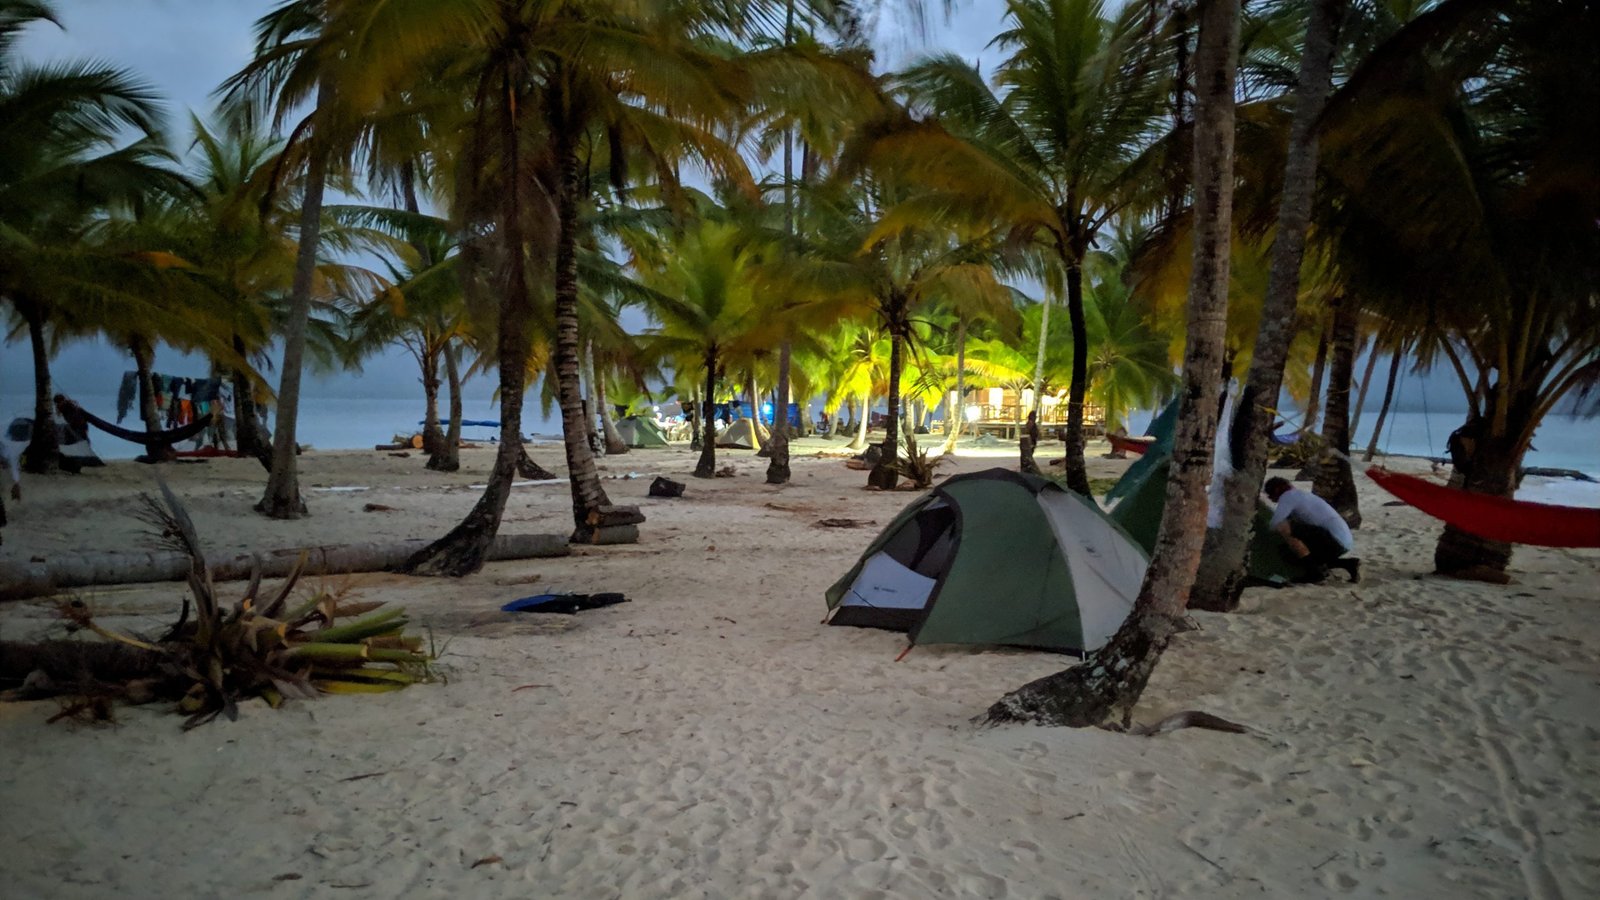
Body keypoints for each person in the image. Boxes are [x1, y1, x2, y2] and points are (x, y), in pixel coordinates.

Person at [1264, 476, 1360, 583]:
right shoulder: (1302, 495)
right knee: (1294, 556)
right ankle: (1349, 564)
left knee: (1285, 528)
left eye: (1269, 494)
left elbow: (1276, 523)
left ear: (1277, 490)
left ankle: (1314, 574)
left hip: (1334, 541)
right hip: (1343, 543)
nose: (1270, 498)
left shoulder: (1288, 496)